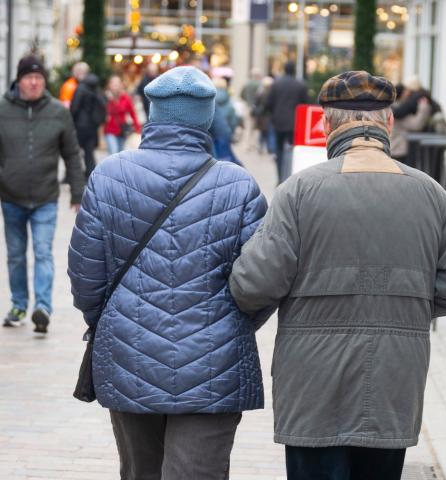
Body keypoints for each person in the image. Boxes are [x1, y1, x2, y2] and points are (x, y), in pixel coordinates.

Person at [229, 71, 446, 480]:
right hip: (395, 374)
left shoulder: (299, 191)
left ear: (326, 124)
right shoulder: (430, 193)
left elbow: (253, 285)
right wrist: (406, 301)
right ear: (388, 123)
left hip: (313, 381)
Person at [67, 66, 268, 479]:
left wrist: (108, 322)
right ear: (207, 118)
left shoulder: (109, 175)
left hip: (127, 353)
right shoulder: (238, 185)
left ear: (153, 114)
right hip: (215, 364)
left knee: (141, 472)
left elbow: (85, 275)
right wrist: (234, 324)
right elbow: (261, 283)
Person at [0, 55, 85, 332]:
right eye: (29, 77)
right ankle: (19, 304)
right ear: (19, 80)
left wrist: (77, 192)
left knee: (43, 252)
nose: (34, 82)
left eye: (39, 77)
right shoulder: (3, 109)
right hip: (11, 196)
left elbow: (72, 154)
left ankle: (43, 307)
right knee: (15, 255)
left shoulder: (58, 111)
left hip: (45, 197)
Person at [264, 62, 309, 183]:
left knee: (279, 151)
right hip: (295, 123)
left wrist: (272, 115)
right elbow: (305, 104)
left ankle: (280, 178)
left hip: (278, 122)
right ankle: (290, 177)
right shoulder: (300, 85)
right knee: (293, 151)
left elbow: (268, 103)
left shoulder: (276, 84)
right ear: (294, 70)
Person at [70, 73, 106, 178]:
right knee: (89, 152)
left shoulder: (80, 88)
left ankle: (73, 176)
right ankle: (91, 174)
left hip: (80, 125)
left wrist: (71, 121)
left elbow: (74, 107)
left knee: (73, 151)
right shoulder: (97, 89)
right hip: (92, 125)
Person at [104, 75, 141, 155]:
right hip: (110, 130)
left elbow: (132, 113)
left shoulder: (125, 98)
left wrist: (137, 127)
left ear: (121, 85)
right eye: (113, 84)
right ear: (109, 85)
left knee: (119, 154)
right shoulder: (105, 98)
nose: (115, 86)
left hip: (121, 131)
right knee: (113, 152)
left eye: (117, 84)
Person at [253, 76, 276, 155]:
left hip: (261, 116)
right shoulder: (272, 94)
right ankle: (270, 148)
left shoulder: (260, 93)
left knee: (262, 133)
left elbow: (255, 104)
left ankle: (260, 147)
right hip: (269, 115)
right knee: (270, 133)